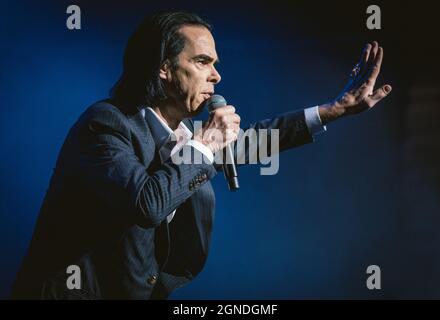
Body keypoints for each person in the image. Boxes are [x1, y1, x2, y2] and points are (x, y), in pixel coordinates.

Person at [10, 11, 391, 299]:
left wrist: (334, 110)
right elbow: (146, 202)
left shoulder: (187, 135)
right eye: (202, 62)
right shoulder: (107, 123)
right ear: (163, 69)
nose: (216, 76)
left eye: (216, 65)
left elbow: (256, 140)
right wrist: (206, 143)